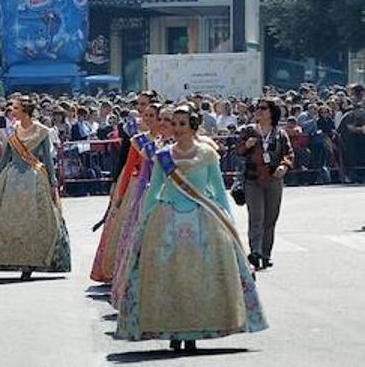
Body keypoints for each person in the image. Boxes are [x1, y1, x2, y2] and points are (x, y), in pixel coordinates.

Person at [115, 105, 267, 353]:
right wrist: (142, 225)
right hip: (167, 219)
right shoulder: (163, 155)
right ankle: (171, 329)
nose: (176, 128)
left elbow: (218, 192)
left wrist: (228, 224)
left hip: (203, 219)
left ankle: (197, 328)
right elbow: (154, 191)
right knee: (169, 275)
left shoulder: (207, 154)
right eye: (174, 123)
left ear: (193, 126)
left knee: (201, 275)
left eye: (182, 123)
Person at [0, 98, 71, 279]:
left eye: (16, 108)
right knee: (9, 218)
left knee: (37, 219)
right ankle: (12, 258)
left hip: (35, 177)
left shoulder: (42, 131)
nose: (12, 111)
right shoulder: (13, 130)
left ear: (26, 111)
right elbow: (6, 157)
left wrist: (52, 180)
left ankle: (32, 260)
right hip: (11, 178)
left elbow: (47, 157)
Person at [91, 105, 159, 284]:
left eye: (153, 115)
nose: (149, 119)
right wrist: (120, 193)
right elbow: (129, 168)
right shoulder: (138, 140)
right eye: (146, 115)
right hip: (139, 186)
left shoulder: (168, 142)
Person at [237, 99, 294, 271]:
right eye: (257, 108)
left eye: (263, 108)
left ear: (272, 112)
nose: (258, 111)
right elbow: (238, 151)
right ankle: (255, 252)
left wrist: (284, 166)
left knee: (270, 219)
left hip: (274, 180)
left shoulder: (280, 133)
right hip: (252, 180)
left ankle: (265, 254)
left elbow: (289, 153)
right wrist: (245, 146)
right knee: (256, 217)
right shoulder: (249, 131)